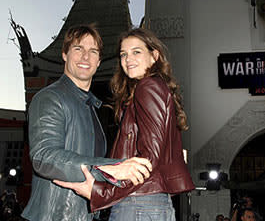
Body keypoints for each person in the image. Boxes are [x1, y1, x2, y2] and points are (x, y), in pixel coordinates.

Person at [55, 28, 195, 220]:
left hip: (138, 204)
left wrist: (100, 192)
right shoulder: (155, 87)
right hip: (150, 203)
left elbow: (148, 161)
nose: (128, 59)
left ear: (154, 56)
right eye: (123, 54)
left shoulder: (147, 87)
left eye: (136, 52)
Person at [22, 25, 152, 221]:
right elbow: (44, 157)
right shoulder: (49, 97)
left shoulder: (91, 107)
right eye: (78, 49)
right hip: (54, 215)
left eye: (93, 52)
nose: (85, 57)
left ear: (99, 61)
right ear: (64, 54)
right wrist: (112, 167)